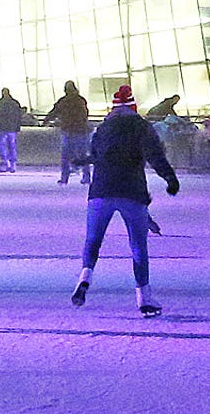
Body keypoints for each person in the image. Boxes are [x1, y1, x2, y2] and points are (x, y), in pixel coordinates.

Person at [72, 85, 179, 315]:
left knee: (93, 240)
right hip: (132, 191)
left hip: (101, 190)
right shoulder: (142, 127)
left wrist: (84, 160)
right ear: (133, 107)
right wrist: (169, 177)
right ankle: (144, 298)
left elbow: (97, 155)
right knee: (138, 246)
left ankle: (85, 277)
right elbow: (155, 155)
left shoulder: (103, 128)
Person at [50, 81, 94, 183]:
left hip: (68, 130)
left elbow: (54, 112)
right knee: (83, 155)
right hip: (81, 130)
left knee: (66, 155)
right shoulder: (80, 100)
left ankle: (64, 177)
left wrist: (46, 121)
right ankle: (86, 177)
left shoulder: (63, 101)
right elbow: (85, 114)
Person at [0, 88, 27, 172]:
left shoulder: (0, 102)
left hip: (3, 127)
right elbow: (18, 116)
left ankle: (5, 163)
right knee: (12, 146)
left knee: (2, 145)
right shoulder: (15, 103)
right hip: (12, 128)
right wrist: (18, 126)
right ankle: (13, 164)